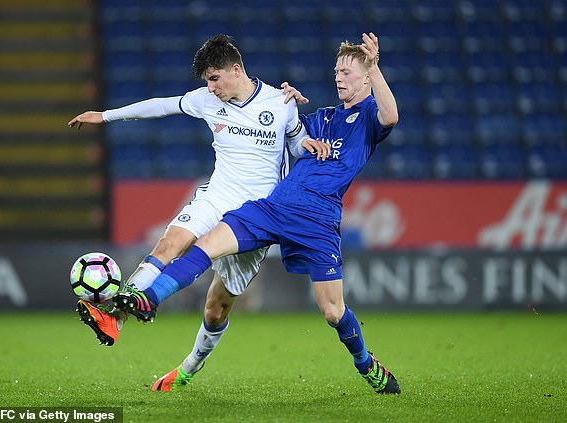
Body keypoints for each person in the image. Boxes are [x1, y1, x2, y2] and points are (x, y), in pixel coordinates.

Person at [112, 32, 402, 394]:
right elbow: (287, 131)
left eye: (346, 72)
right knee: (206, 243)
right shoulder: (323, 117)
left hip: (318, 219)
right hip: (275, 206)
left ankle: (365, 363)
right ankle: (147, 300)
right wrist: (285, 102)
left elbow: (391, 115)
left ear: (365, 78)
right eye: (336, 71)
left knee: (332, 312)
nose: (338, 77)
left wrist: (374, 68)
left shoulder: (368, 119)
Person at [67, 34, 330, 346]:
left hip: (256, 214)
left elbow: (296, 142)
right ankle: (114, 320)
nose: (211, 88)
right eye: (207, 81)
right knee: (168, 245)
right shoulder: (207, 101)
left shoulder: (280, 102)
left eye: (214, 79)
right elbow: (160, 106)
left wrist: (306, 144)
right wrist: (104, 116)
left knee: (217, 310)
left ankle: (191, 364)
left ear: (236, 70)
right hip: (217, 195)